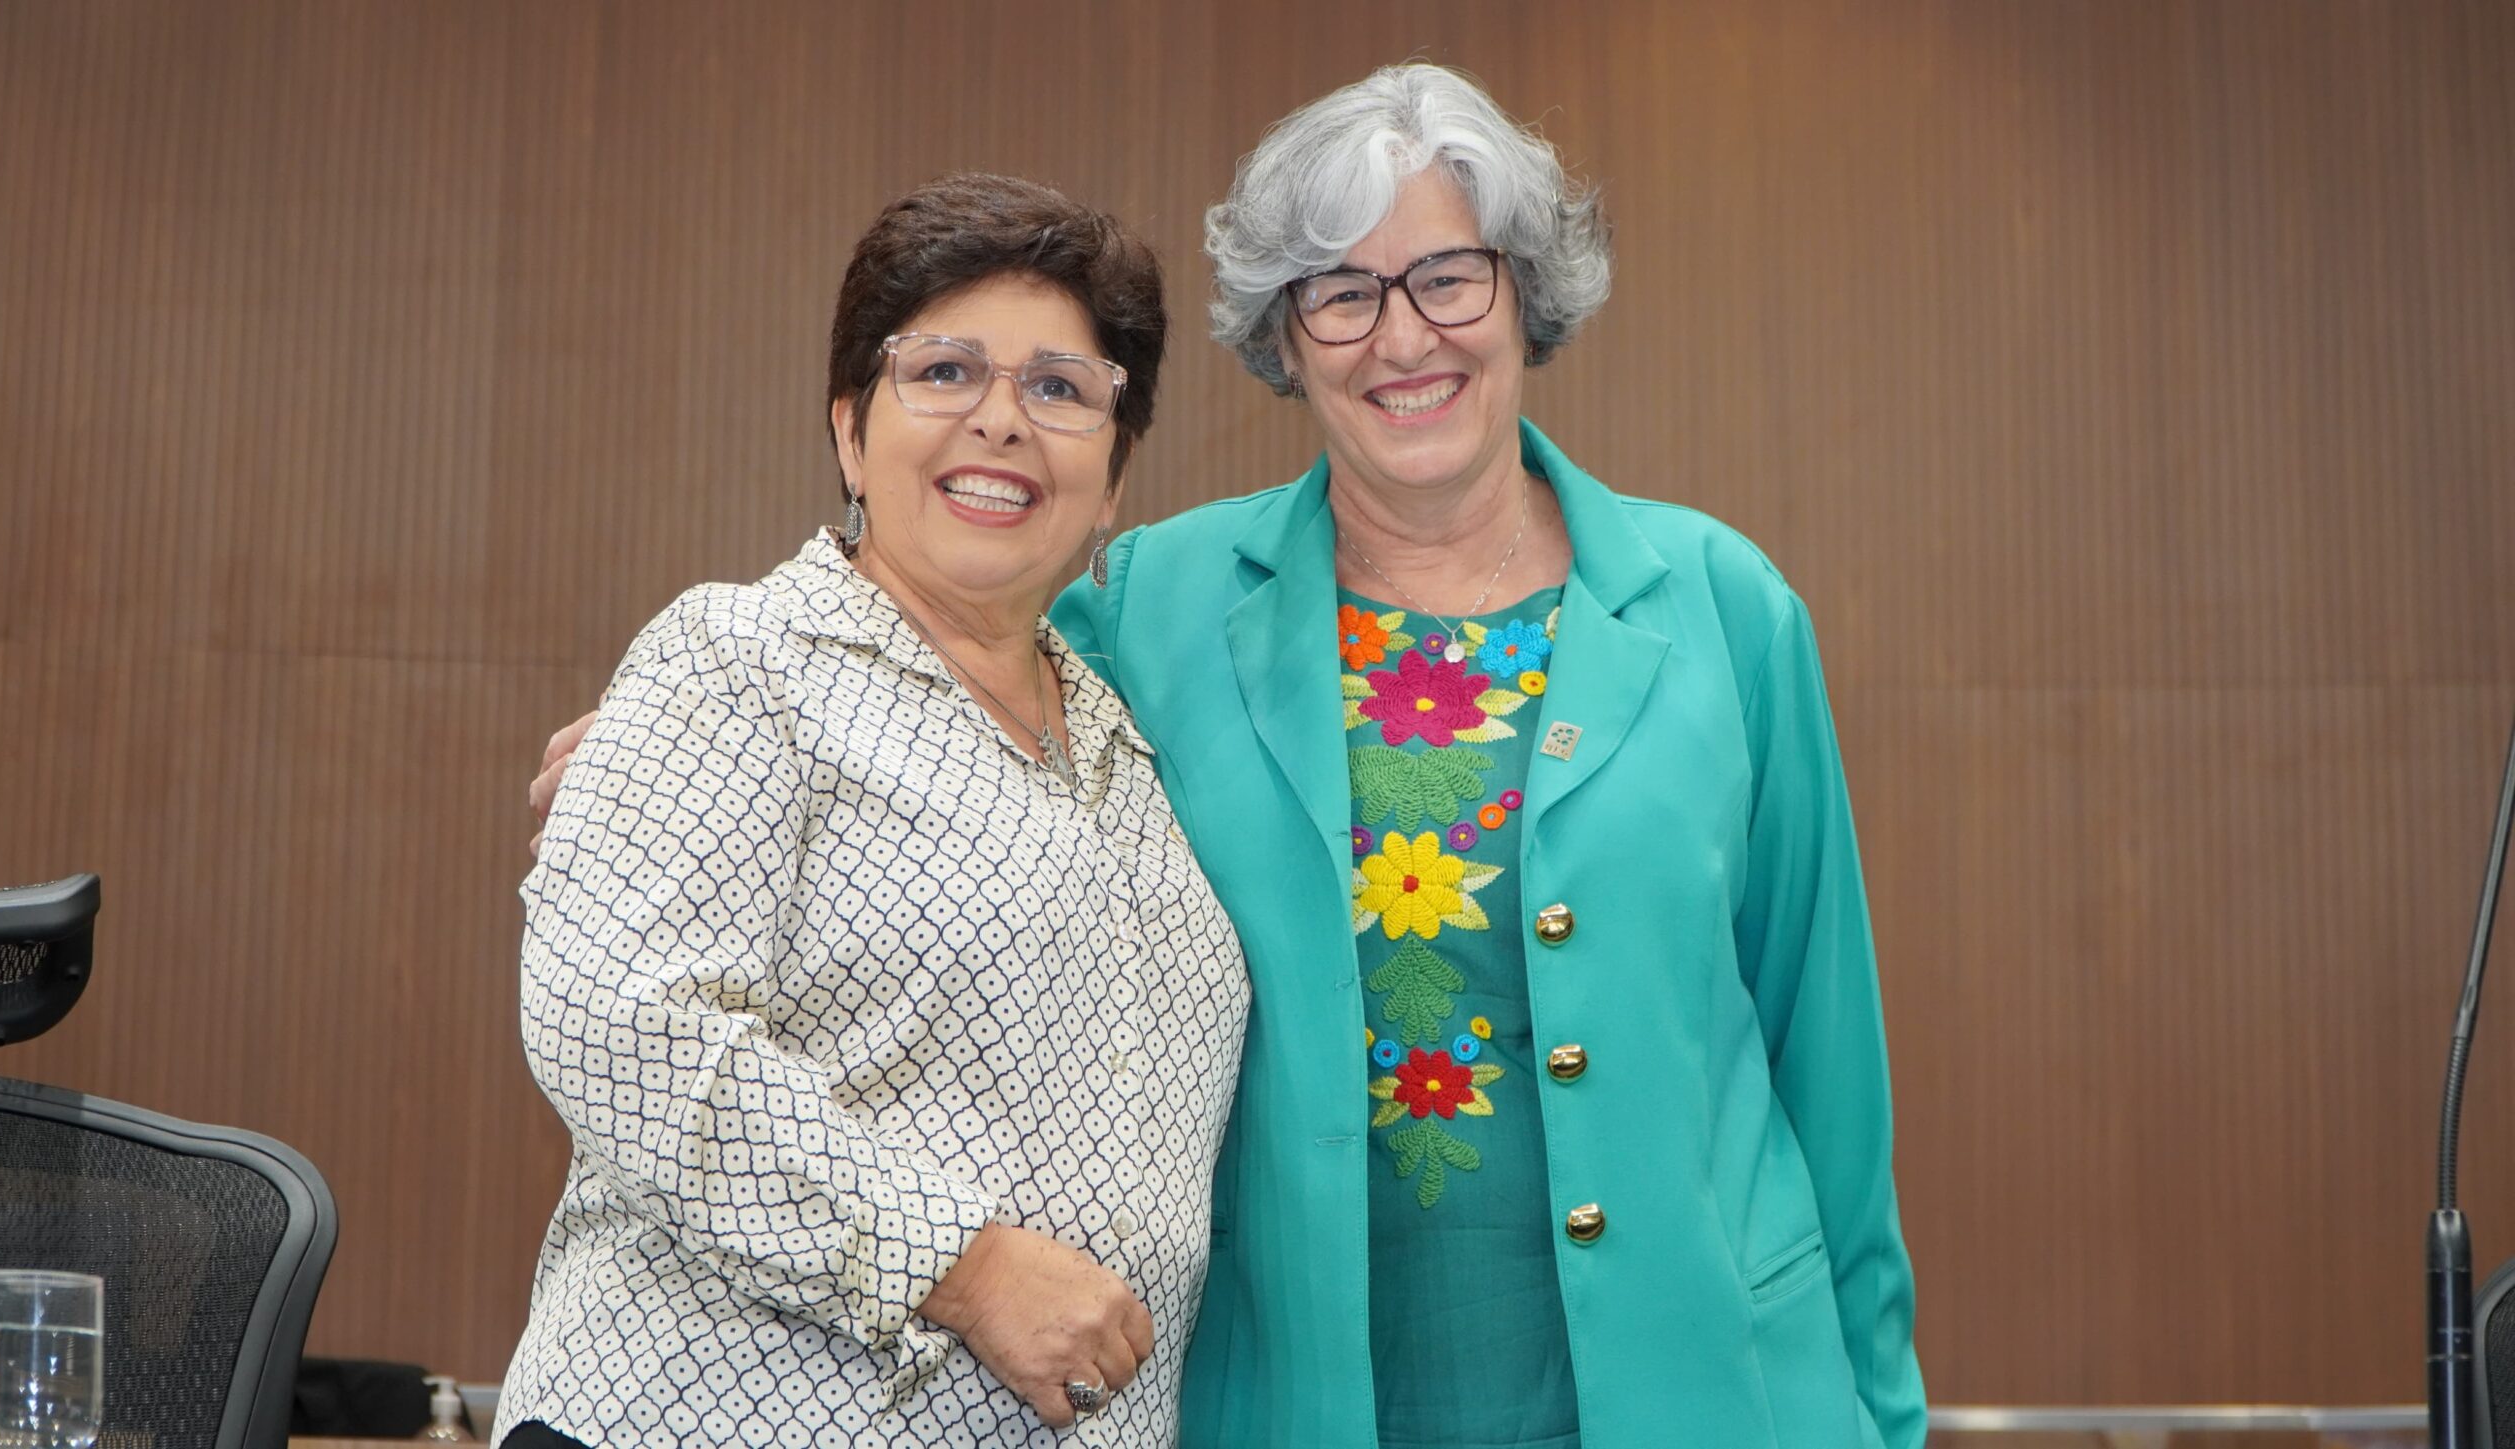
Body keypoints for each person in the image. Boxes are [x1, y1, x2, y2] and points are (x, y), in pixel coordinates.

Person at [536, 63, 1923, 1449]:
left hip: (1719, 1388)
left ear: (1524, 297)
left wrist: (1881, 1410)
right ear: (1284, 335)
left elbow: (1829, 1069)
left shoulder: (1723, 607)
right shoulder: (1153, 608)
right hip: (1306, 1396)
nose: (1404, 335)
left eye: (1451, 277)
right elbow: (942, 657)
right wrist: (652, 754)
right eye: (1342, 292)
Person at [498, 173, 1249, 1449]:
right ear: (850, 431)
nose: (1001, 419)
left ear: (1114, 475)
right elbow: (619, 1030)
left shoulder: (1127, 745)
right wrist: (966, 1265)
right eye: (944, 371)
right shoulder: (737, 661)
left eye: (1060, 388)